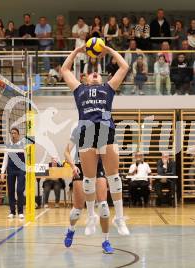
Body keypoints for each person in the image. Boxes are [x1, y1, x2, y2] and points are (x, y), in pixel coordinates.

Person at [60, 43, 130, 237]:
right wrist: (76, 50)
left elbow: (124, 67)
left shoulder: (108, 88)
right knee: (88, 179)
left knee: (113, 177)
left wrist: (108, 50)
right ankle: (91, 217)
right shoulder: (79, 89)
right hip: (87, 132)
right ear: (84, 78)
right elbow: (64, 69)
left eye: (97, 73)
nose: (95, 74)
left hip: (106, 131)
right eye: (91, 73)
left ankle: (120, 218)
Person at [63, 127, 114, 253]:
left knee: (103, 207)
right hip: (80, 166)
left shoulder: (104, 129)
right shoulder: (79, 129)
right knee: (77, 210)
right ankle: (71, 229)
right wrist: (73, 166)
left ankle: (106, 241)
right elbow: (66, 152)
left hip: (98, 166)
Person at [0, 127, 26, 219]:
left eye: (15, 133)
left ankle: (20, 212)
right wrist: (2, 172)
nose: (13, 135)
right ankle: (12, 211)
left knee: (19, 190)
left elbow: (27, 158)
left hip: (21, 169)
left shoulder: (23, 145)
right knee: (10, 190)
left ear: (18, 135)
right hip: (10, 169)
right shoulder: (8, 146)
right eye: (11, 133)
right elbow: (5, 159)